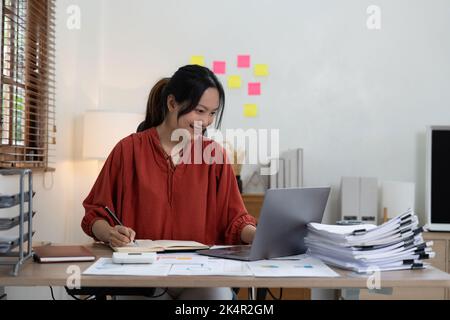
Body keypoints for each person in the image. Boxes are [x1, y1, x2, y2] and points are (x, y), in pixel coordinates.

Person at [81, 65, 257, 300]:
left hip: (201, 274)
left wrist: (260, 235)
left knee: (218, 297)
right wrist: (110, 233)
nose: (206, 122)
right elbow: (94, 214)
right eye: (200, 111)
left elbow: (235, 220)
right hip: (141, 274)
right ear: (172, 103)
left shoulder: (215, 155)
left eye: (213, 113)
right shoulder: (128, 150)